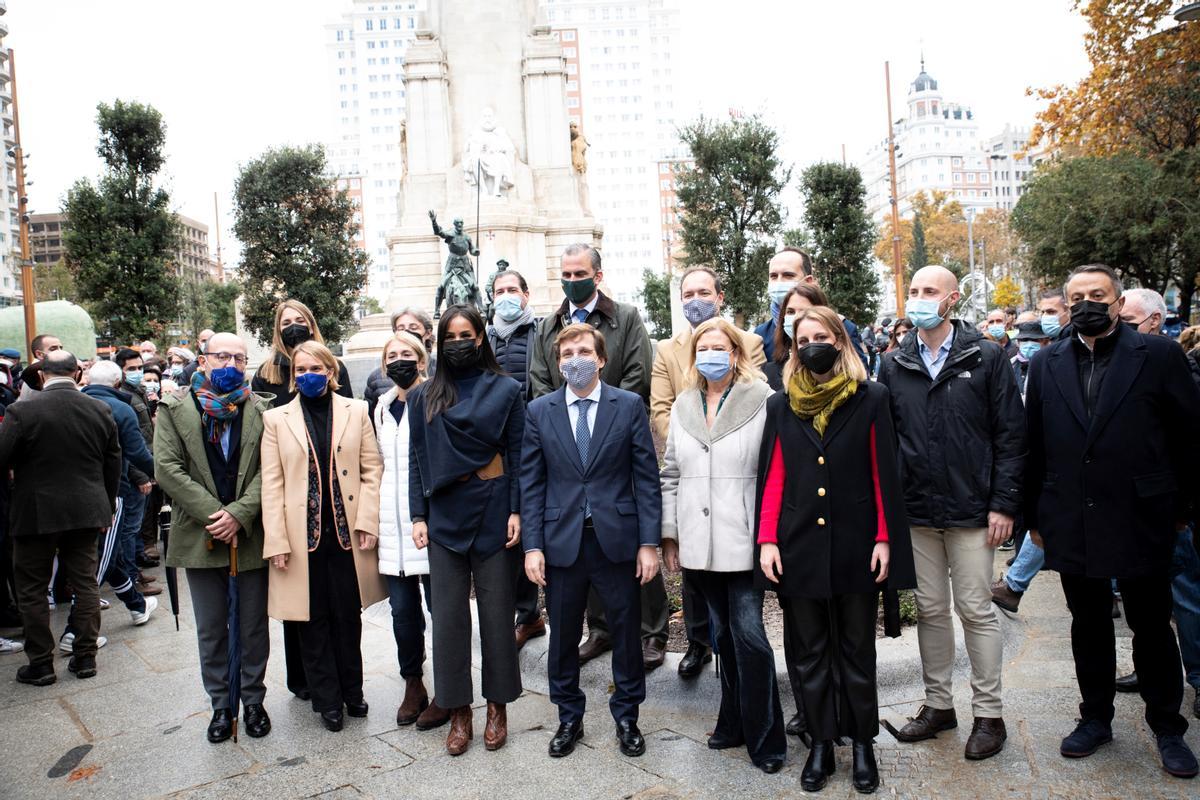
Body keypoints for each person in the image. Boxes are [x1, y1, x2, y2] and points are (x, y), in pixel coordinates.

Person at [1024, 265, 1200, 777]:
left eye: (1096, 295)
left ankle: (1168, 726)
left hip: (1144, 515)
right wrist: (1033, 515)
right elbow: (1033, 444)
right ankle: (1095, 718)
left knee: (1151, 624)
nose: (1086, 304)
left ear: (1118, 302)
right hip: (1072, 515)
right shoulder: (1047, 361)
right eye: (1076, 296)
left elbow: (1188, 438)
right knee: (1090, 624)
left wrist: (1184, 511)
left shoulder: (1160, 356)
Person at [757, 307, 916, 792]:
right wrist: (766, 540)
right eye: (802, 340)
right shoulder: (781, 406)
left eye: (820, 337)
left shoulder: (871, 398)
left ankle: (863, 742)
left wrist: (885, 537)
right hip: (799, 546)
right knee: (809, 653)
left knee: (855, 651)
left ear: (840, 341)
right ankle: (822, 743)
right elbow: (774, 478)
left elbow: (882, 473)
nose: (811, 346)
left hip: (857, 547)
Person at [878, 265, 1025, 761]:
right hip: (916, 510)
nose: (918, 298)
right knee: (932, 611)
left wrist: (1003, 503)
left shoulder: (986, 356)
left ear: (952, 299)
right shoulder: (894, 363)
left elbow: (1010, 435)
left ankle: (989, 714)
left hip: (972, 510)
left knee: (976, 610)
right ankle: (939, 705)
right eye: (913, 290)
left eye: (929, 291)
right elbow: (888, 440)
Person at [521, 323, 661, 760]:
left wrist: (649, 542)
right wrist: (532, 546)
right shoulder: (540, 411)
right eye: (566, 354)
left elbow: (646, 477)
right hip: (561, 543)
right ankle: (568, 718)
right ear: (557, 362)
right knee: (563, 636)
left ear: (600, 359)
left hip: (617, 540)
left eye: (583, 351)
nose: (574, 360)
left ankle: (627, 716)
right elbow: (531, 482)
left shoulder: (628, 405)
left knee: (625, 630)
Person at [527, 244, 667, 670]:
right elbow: (537, 377)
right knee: (578, 539)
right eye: (566, 274)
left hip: (615, 431)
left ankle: (653, 631)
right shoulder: (550, 324)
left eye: (580, 272)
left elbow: (638, 372)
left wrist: (609, 408)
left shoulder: (623, 316)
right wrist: (558, 416)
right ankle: (600, 629)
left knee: (623, 533)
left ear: (597, 274)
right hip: (565, 431)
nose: (573, 280)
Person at [659, 318, 785, 772]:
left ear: (735, 353)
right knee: (722, 636)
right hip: (697, 541)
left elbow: (776, 471)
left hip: (745, 537)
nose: (711, 354)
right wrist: (670, 534)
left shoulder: (763, 400)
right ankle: (731, 720)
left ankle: (766, 735)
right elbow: (670, 472)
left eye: (720, 346)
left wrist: (771, 536)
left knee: (750, 636)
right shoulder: (684, 405)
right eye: (703, 348)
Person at [408, 305, 524, 755]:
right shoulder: (423, 396)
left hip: (495, 511)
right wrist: (418, 515)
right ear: (440, 341)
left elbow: (519, 456)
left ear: (481, 338)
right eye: (450, 335)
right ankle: (459, 712)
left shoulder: (508, 389)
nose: (459, 342)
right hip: (443, 518)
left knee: (498, 617)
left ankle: (497, 707)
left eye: (466, 334)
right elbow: (417, 461)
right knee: (449, 622)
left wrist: (516, 511)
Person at [154, 332, 273, 743]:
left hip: (250, 535)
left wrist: (239, 514)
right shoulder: (174, 409)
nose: (232, 365)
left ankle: (253, 700)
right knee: (211, 627)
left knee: (253, 625)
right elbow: (168, 469)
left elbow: (269, 470)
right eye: (223, 356)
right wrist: (216, 515)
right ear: (203, 361)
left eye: (240, 359)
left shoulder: (260, 409)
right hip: (200, 534)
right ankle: (221, 705)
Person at [262, 340, 386, 732]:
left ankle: (353, 690)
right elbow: (272, 485)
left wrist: (367, 520)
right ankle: (327, 700)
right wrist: (277, 541)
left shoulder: (357, 411)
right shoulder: (276, 419)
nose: (308, 375)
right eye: (301, 370)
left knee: (347, 618)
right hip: (303, 540)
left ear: (331, 373)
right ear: (293, 376)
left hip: (347, 537)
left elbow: (372, 469)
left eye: (316, 368)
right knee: (311, 621)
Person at [651, 266, 766, 678]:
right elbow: (662, 413)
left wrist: (715, 441)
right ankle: (710, 670)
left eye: (703, 292)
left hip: (740, 513)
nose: (694, 299)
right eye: (687, 293)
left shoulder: (754, 367)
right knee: (715, 616)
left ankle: (759, 724)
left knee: (747, 629)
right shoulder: (671, 359)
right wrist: (696, 439)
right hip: (696, 486)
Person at [252, 298, 354, 702]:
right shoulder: (267, 372)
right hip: (290, 481)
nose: (294, 327)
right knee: (299, 602)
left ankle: (341, 681)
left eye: (301, 321)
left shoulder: (335, 368)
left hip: (329, 493)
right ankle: (304, 679)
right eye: (287, 322)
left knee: (336, 603)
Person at [0, 351, 121, 685]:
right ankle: (85, 657)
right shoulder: (99, 408)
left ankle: (41, 663)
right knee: (85, 583)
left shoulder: (21, 410)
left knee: (32, 588)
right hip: (86, 508)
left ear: (42, 376)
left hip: (36, 512)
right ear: (77, 373)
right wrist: (106, 505)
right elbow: (113, 462)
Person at [63, 361, 157, 646]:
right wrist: (167, 475)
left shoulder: (75, 404)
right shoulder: (119, 409)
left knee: (109, 555)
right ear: (118, 383)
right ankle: (75, 631)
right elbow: (138, 453)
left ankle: (136, 604)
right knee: (99, 562)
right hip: (110, 494)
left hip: (71, 493)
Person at [372, 331, 435, 727]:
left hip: (427, 523)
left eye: (407, 354)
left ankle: (448, 686)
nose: (400, 360)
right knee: (402, 613)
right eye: (392, 355)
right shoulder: (379, 407)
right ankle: (413, 681)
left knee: (440, 610)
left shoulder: (435, 398)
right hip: (390, 525)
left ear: (422, 360)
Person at [483, 269, 545, 648]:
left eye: (512, 290)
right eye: (498, 291)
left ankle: (531, 613)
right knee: (508, 531)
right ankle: (523, 614)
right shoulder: (485, 337)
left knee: (532, 526)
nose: (505, 296)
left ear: (525, 294)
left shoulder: (539, 332)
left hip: (534, 440)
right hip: (498, 448)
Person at [112, 349, 162, 589]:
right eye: (132, 368)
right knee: (129, 530)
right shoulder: (122, 397)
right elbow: (127, 443)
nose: (137, 372)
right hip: (134, 471)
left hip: (145, 463)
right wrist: (141, 474)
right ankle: (131, 579)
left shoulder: (139, 392)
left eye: (139, 367)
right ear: (120, 370)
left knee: (136, 525)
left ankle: (135, 572)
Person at [364, 308, 436, 420]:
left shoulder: (442, 372)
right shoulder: (376, 379)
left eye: (413, 328)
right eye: (401, 329)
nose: (407, 333)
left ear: (428, 333)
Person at [764, 283, 831, 391]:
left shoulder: (839, 370)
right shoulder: (768, 372)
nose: (796, 318)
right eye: (790, 312)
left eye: (805, 311)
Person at [1010, 320, 1051, 399]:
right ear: (1018, 343)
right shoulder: (1012, 363)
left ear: (1045, 342)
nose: (1029, 344)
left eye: (1035, 340)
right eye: (1024, 340)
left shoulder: (1050, 364)